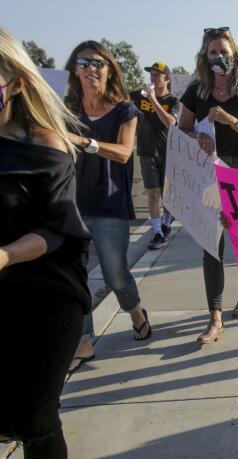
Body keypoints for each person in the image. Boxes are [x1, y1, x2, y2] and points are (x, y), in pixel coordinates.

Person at [0, 27, 92, 459]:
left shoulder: (44, 142)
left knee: (35, 415)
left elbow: (59, 229)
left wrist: (6, 255)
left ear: (11, 84)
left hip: (45, 291)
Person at [65, 40, 151, 371]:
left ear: (108, 70)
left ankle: (135, 311)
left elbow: (124, 152)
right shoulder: (66, 112)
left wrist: (85, 142)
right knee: (78, 275)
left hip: (110, 204)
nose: (91, 69)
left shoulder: (124, 110)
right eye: (84, 63)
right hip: (73, 203)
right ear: (75, 69)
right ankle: (84, 340)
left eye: (98, 63)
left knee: (116, 275)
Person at [179, 27, 238, 343]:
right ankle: (214, 316)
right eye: (213, 52)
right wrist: (197, 137)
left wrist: (231, 120)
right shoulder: (196, 92)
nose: (219, 57)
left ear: (235, 55)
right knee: (211, 244)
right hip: (207, 174)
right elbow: (181, 132)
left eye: (224, 52)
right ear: (205, 57)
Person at [130, 61, 180, 249]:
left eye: (157, 75)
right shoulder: (140, 96)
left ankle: (167, 221)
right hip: (146, 151)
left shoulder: (172, 101)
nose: (153, 78)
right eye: (151, 74)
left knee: (165, 194)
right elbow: (117, 98)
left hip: (166, 151)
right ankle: (158, 231)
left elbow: (170, 122)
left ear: (167, 78)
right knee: (152, 193)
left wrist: (154, 101)